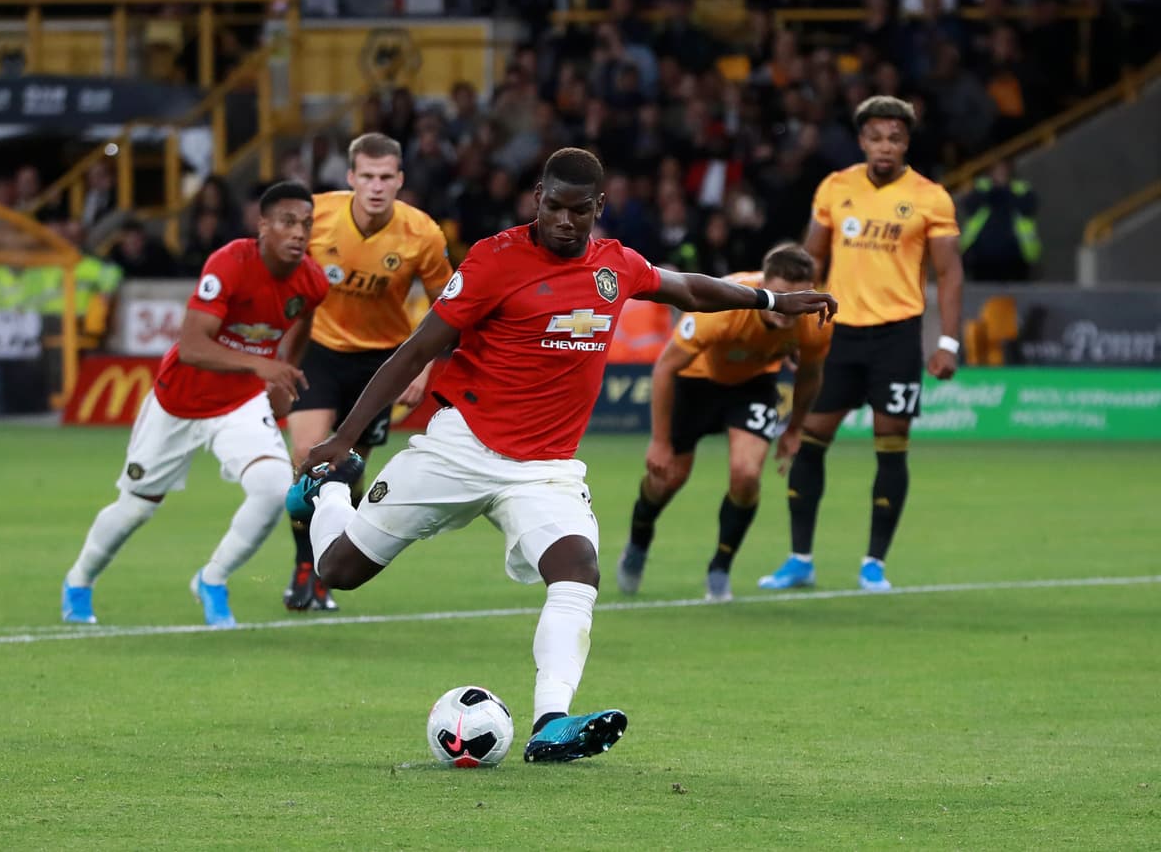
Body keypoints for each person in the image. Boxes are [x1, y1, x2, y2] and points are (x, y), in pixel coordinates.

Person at [286, 148, 836, 763]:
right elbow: (415, 351)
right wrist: (343, 441)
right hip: (462, 445)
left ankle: (552, 720)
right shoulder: (494, 260)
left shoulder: (615, 265)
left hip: (545, 468)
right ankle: (329, 492)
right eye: (554, 207)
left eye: (579, 210)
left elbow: (684, 289)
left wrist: (767, 301)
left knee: (578, 571)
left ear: (599, 208)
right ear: (536, 200)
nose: (565, 222)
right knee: (340, 571)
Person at [61, 182, 329, 628]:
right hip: (178, 401)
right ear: (262, 226)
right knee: (136, 508)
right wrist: (261, 365)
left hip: (240, 403)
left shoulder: (312, 280)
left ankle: (212, 578)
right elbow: (190, 346)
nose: (298, 233)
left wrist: (286, 369)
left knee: (272, 488)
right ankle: (79, 580)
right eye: (287, 222)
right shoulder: (229, 263)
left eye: (306, 224)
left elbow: (303, 318)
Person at [761, 96, 963, 594]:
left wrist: (949, 342)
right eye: (876, 137)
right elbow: (809, 261)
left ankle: (874, 563)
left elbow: (949, 271)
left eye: (895, 137)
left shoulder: (931, 197)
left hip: (897, 335)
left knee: (891, 449)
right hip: (838, 334)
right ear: (862, 141)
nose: (885, 146)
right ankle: (799, 559)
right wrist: (793, 327)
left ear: (906, 142)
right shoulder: (835, 187)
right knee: (809, 443)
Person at [282, 132, 454, 612]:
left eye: (386, 178)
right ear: (350, 177)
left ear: (399, 180)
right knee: (308, 458)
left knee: (349, 470)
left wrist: (425, 365)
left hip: (383, 361)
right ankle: (306, 567)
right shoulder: (314, 217)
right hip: (320, 349)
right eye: (367, 177)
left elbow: (451, 305)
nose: (376, 186)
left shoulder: (423, 234)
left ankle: (329, 554)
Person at [616, 244, 832, 602]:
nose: (789, 309)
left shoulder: (814, 318)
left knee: (747, 476)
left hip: (752, 387)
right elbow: (665, 368)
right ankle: (638, 542)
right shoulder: (722, 306)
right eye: (781, 296)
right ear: (763, 284)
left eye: (798, 297)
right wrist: (659, 441)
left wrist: (795, 429)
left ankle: (720, 568)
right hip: (694, 383)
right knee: (667, 479)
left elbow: (811, 374)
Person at [960, 159, 1041, 282]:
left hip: (1015, 257)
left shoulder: (1021, 189)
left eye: (1003, 170)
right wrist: (993, 192)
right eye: (997, 170)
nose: (1000, 173)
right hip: (983, 258)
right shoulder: (981, 189)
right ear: (990, 172)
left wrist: (1006, 192)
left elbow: (1029, 207)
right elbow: (968, 206)